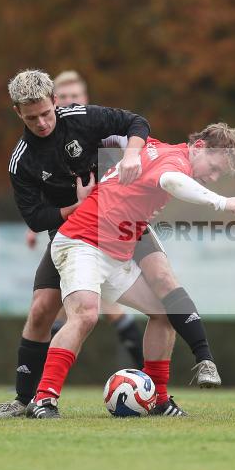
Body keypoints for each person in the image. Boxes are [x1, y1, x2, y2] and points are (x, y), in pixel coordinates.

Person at [0, 69, 220, 420]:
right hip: (77, 229)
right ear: (18, 113)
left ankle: (166, 394)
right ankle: (25, 398)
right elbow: (37, 217)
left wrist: (131, 157)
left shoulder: (80, 117)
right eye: (32, 117)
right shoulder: (23, 161)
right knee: (41, 309)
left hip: (124, 221)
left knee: (165, 286)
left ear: (54, 102)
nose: (43, 122)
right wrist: (78, 206)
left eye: (47, 113)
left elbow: (137, 122)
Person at [26, 123, 235, 419]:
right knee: (86, 315)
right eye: (215, 167)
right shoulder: (175, 162)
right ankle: (44, 399)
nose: (214, 177)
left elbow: (119, 132)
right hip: (82, 242)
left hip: (115, 254)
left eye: (220, 175)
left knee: (165, 315)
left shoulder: (159, 148)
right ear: (199, 148)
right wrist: (221, 202)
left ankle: (158, 399)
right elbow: (171, 181)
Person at [23, 70, 145, 370]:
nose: (67, 104)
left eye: (73, 98)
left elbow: (138, 134)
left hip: (114, 229)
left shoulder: (98, 127)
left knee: (114, 308)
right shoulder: (39, 145)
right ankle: (32, 392)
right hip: (71, 234)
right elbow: (41, 196)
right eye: (64, 98)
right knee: (53, 310)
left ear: (84, 101)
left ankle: (151, 382)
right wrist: (35, 225)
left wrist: (134, 162)